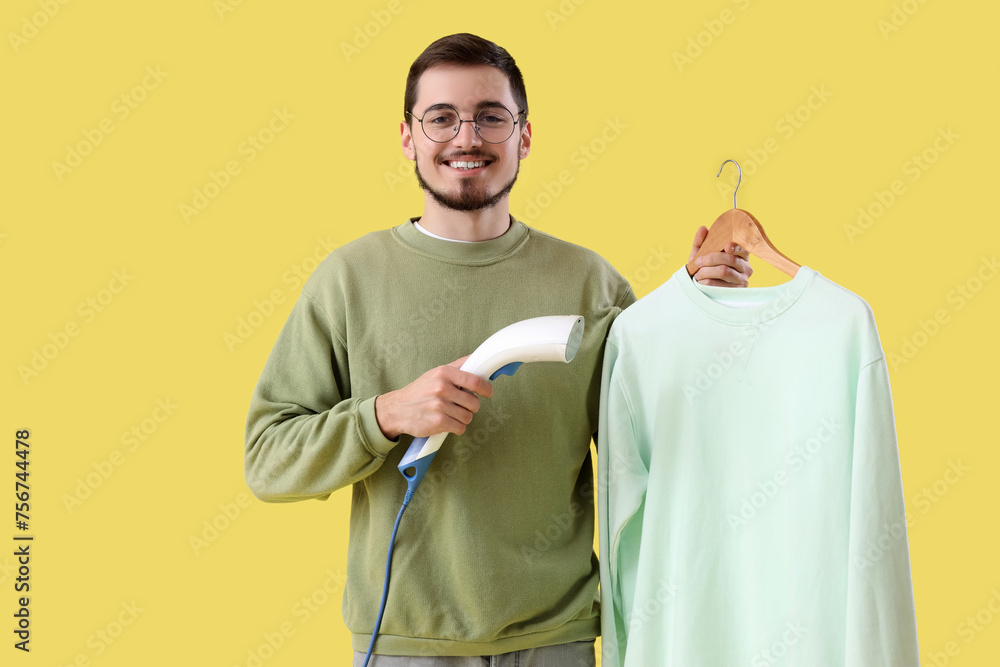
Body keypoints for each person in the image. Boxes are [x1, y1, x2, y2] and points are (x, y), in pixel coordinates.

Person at [244, 33, 751, 667]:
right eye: (441, 118)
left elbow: (663, 449)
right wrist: (385, 416)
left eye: (490, 116)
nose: (467, 137)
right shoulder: (348, 280)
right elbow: (267, 461)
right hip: (405, 644)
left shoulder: (590, 284)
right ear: (408, 137)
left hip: (556, 639)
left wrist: (695, 318)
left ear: (524, 136)